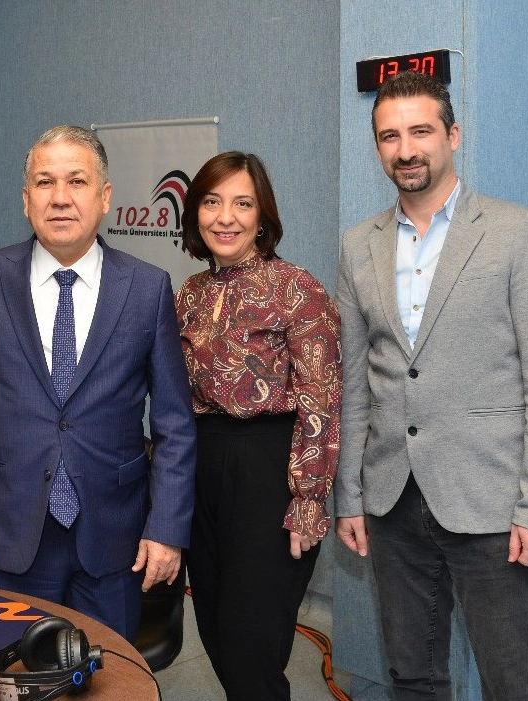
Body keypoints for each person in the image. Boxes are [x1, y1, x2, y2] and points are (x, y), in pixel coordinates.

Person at [0, 125, 197, 641]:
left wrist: (166, 528)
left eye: (77, 181)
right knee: (15, 670)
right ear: (25, 199)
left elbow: (175, 424)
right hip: (10, 530)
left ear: (105, 197)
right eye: (44, 182)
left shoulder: (147, 288)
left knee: (108, 672)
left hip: (115, 536)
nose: (59, 198)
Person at [335, 70, 528, 700]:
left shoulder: (515, 232)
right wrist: (350, 494)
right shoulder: (358, 245)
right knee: (413, 676)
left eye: (421, 131)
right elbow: (355, 384)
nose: (406, 150)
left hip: (492, 500)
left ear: (453, 135)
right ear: (377, 148)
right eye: (390, 136)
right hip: (393, 499)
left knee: (511, 680)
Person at [175, 151, 341, 699]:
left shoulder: (298, 289)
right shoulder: (189, 293)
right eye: (212, 202)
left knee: (252, 651)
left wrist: (308, 499)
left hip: (270, 471)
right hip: (200, 468)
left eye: (242, 204)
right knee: (215, 633)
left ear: (262, 216)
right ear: (195, 214)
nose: (225, 217)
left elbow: (321, 401)